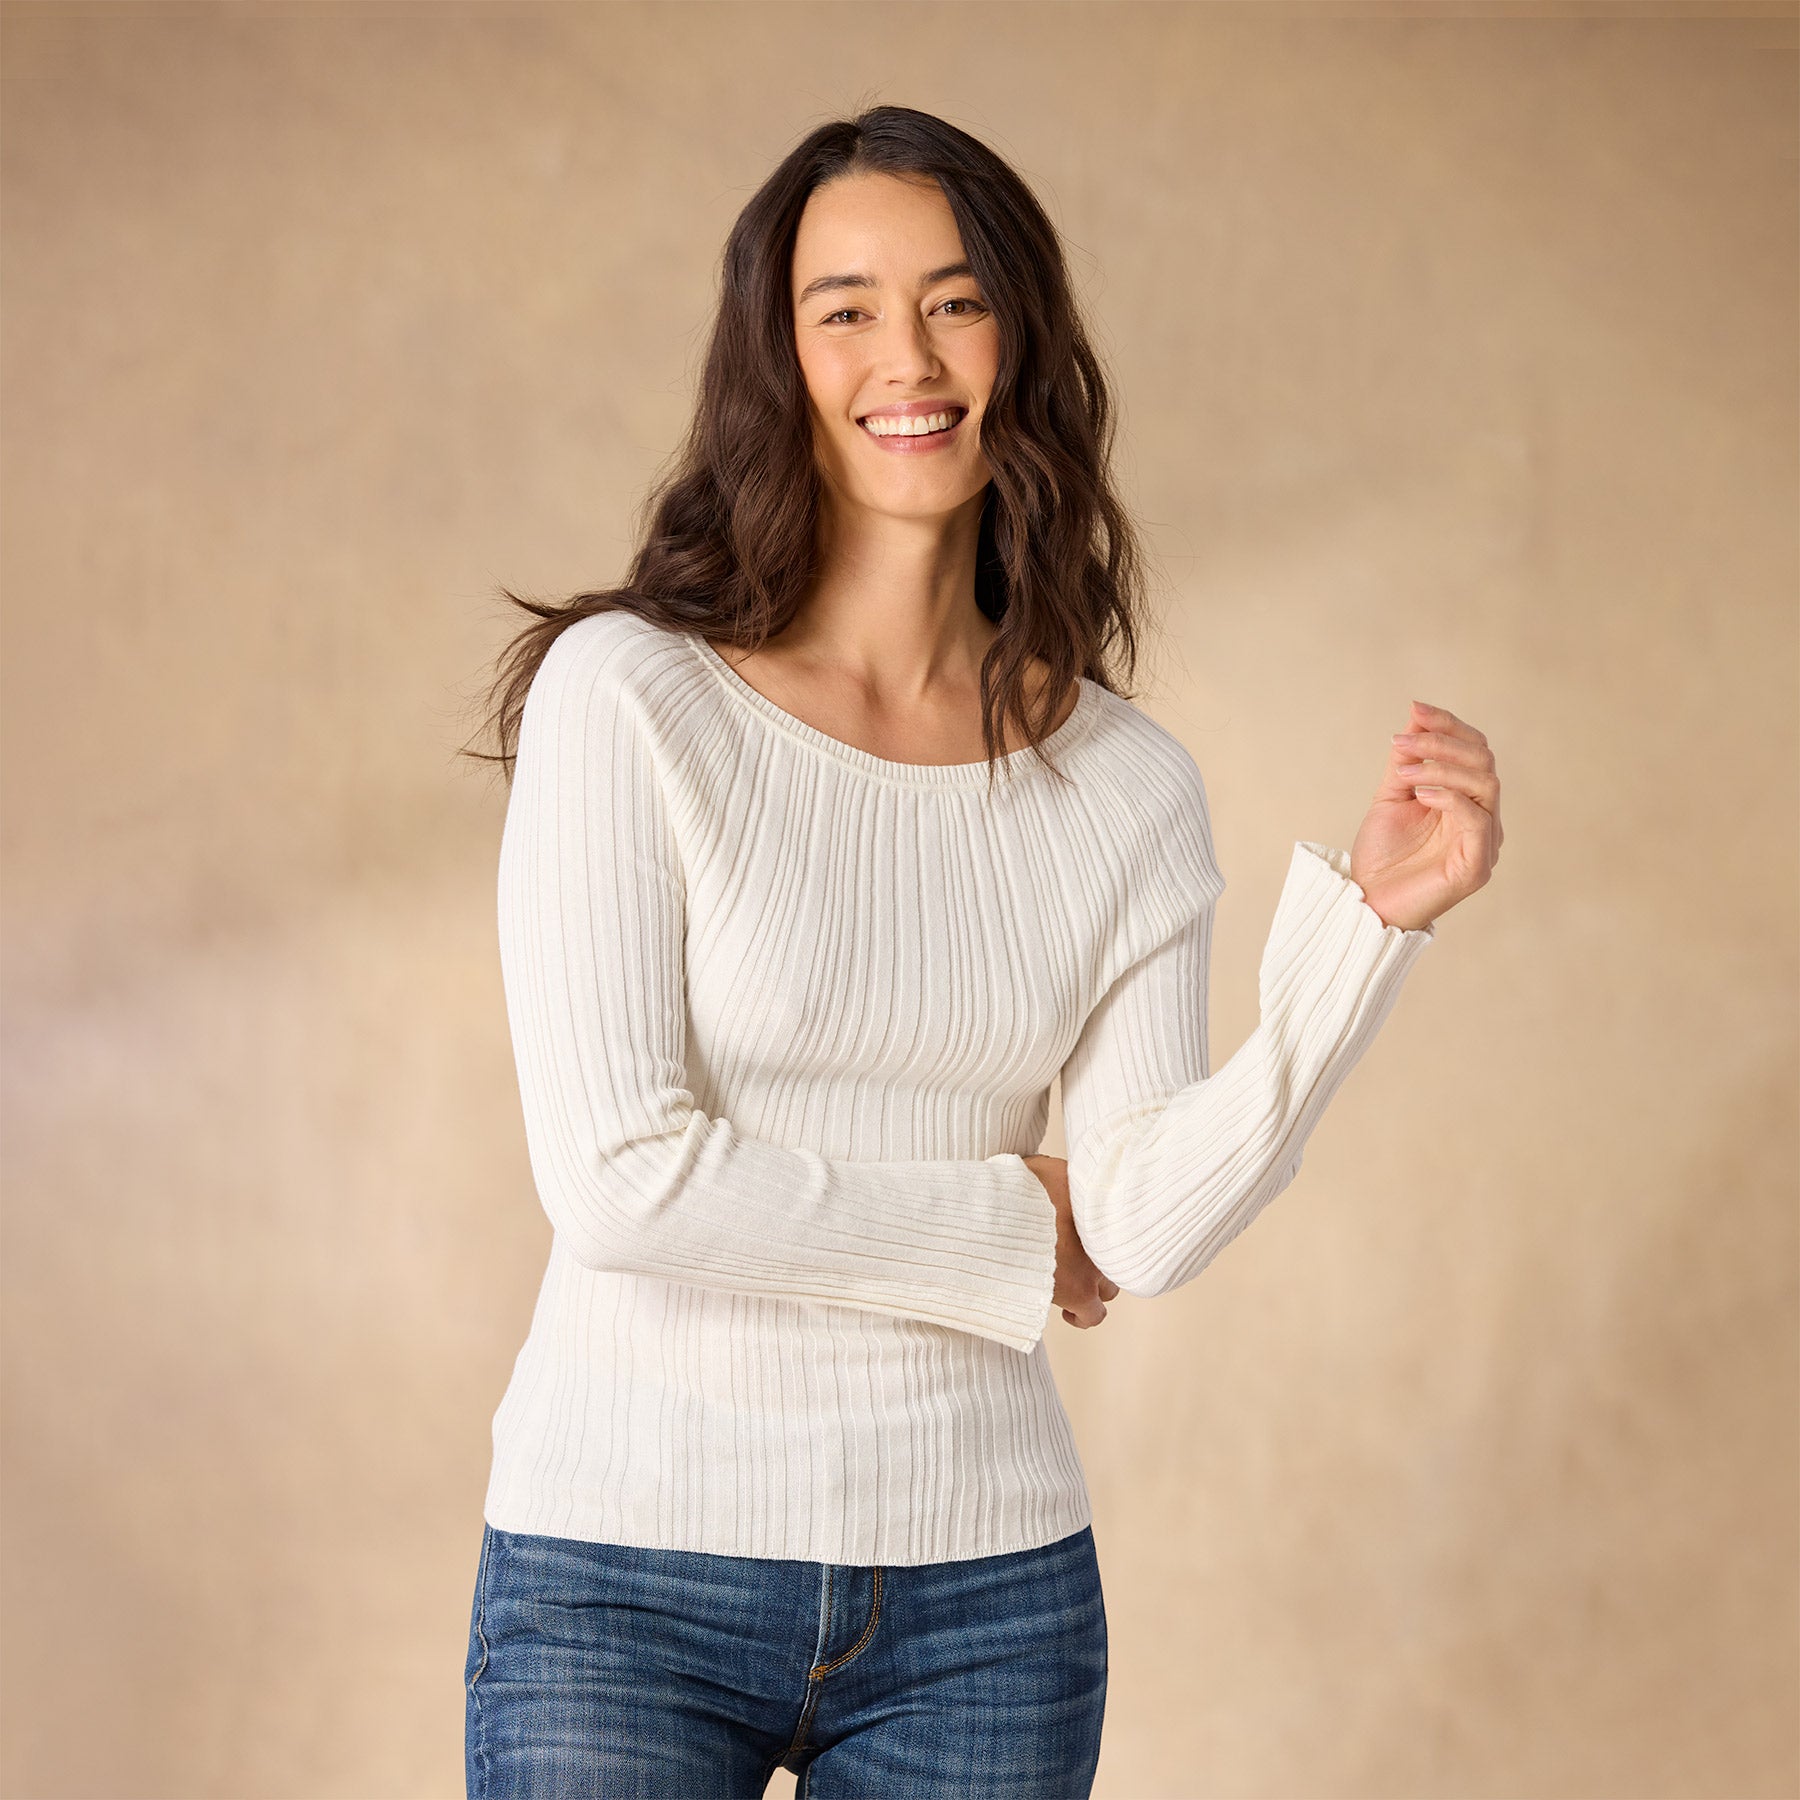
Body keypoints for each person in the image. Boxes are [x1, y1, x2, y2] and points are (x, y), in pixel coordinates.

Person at [457, 104, 1501, 1800]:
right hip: (621, 1575)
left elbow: (1138, 1220)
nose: (909, 358)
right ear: (777, 358)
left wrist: (1364, 941)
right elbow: (619, 1180)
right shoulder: (631, 699)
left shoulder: (1126, 784)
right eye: (846, 309)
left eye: (955, 300)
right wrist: (1012, 1224)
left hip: (987, 1606)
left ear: (1021, 340)